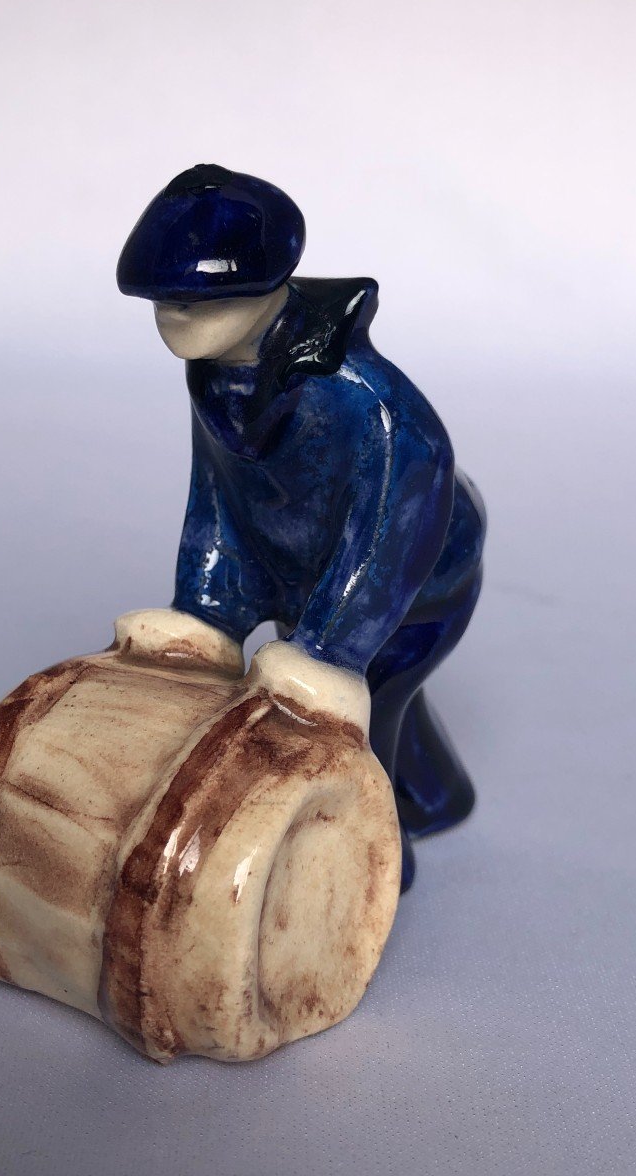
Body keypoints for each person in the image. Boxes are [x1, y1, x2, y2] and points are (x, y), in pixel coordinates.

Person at [117, 164, 485, 891]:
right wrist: (208, 606)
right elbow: (217, 495)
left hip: (412, 590)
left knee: (354, 723)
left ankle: (371, 867)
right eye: (164, 301)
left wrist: (331, 646)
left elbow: (392, 533)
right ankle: (437, 795)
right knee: (379, 699)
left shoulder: (369, 402)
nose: (174, 316)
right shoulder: (217, 374)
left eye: (198, 299)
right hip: (304, 571)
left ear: (271, 286)